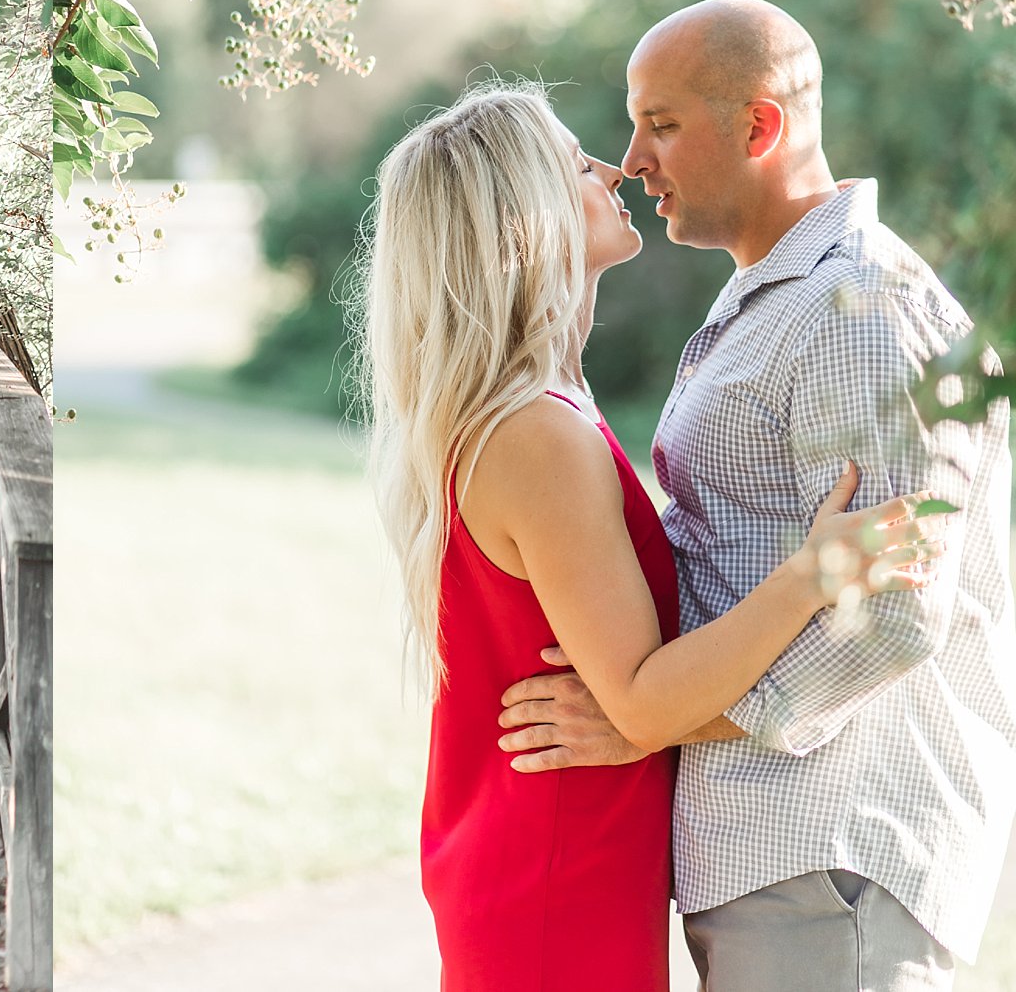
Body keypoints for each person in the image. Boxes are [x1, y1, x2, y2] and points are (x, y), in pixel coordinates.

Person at [359, 81, 932, 992]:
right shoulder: (536, 434)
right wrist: (813, 574)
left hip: (555, 862)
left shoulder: (535, 416)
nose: (613, 166)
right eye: (573, 162)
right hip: (554, 880)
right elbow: (638, 701)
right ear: (522, 224)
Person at [491, 0, 1016, 991]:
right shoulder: (779, 300)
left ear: (759, 127)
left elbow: (897, 611)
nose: (630, 159)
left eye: (661, 124)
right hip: (782, 863)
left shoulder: (857, 309)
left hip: (834, 855)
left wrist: (652, 715)